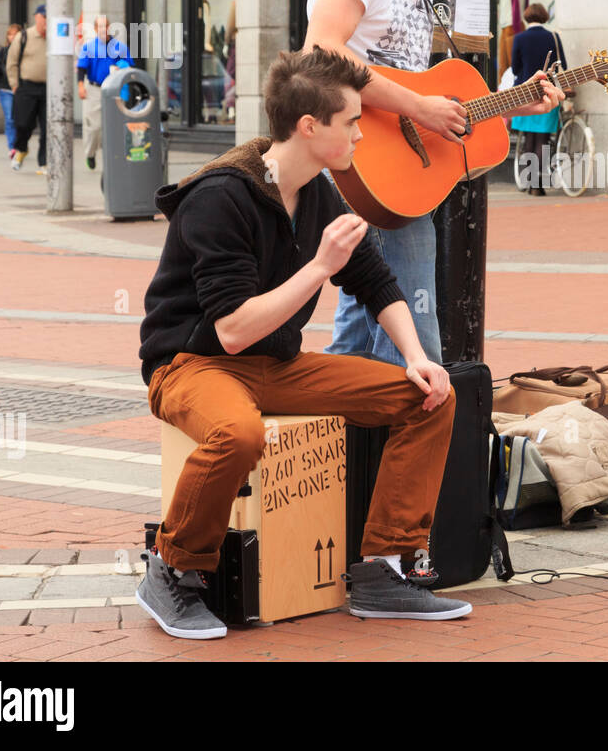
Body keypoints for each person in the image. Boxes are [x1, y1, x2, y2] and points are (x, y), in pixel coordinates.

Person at [136, 47, 473, 639]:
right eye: (352, 123)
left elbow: (375, 282)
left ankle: (382, 569)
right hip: (190, 364)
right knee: (238, 434)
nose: (361, 136)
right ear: (309, 126)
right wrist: (319, 267)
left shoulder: (316, 192)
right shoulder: (220, 197)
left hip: (276, 363)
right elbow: (232, 331)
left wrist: (420, 361)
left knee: (432, 398)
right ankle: (173, 568)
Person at [304, 0, 560, 366]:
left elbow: (428, 87)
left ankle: (340, 436)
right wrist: (418, 109)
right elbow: (320, 52)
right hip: (363, 160)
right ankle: (419, 434)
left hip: (399, 163)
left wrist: (513, 104)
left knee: (363, 318)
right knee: (415, 331)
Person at [509, 3, 565, 195]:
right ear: (544, 17)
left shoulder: (519, 38)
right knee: (543, 139)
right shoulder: (554, 37)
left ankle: (527, 181)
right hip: (548, 91)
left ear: (526, 17)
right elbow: (562, 64)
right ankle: (538, 185)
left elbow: (515, 68)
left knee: (527, 139)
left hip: (524, 93)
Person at [77, 16, 130, 170]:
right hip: (95, 89)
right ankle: (90, 154)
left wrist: (122, 67)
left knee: (115, 124)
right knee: (94, 127)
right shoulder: (89, 47)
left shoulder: (119, 47)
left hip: (115, 89)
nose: (103, 29)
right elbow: (81, 68)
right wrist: (81, 86)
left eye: (105, 26)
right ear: (95, 29)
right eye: (99, 27)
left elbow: (129, 65)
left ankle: (113, 158)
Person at [8, 6, 49, 172]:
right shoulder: (24, 36)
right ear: (36, 17)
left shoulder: (55, 37)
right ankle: (22, 149)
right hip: (26, 87)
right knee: (23, 124)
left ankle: (44, 162)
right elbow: (11, 62)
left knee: (48, 128)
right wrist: (14, 84)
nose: (47, 20)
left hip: (48, 89)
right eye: (44, 17)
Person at [0, 25, 20, 156]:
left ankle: (20, 143)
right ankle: (12, 146)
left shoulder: (24, 51)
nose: (12, 37)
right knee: (10, 118)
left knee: (20, 118)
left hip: (21, 89)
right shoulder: (3, 51)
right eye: (10, 34)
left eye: (15, 34)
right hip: (5, 88)